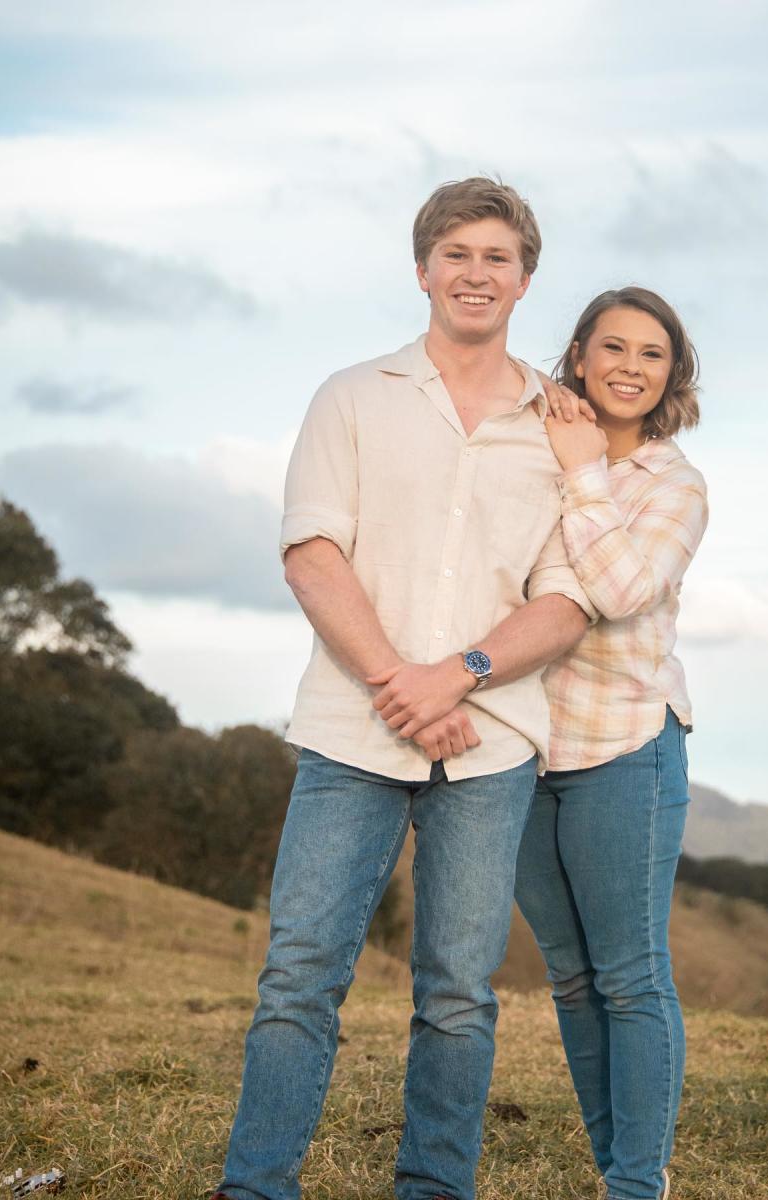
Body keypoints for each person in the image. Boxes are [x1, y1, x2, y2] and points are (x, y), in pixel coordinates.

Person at [211, 178, 595, 1200]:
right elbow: (311, 553)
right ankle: (256, 1187)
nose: (477, 273)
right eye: (457, 254)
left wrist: (458, 677)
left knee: (460, 996)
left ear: (525, 279)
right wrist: (400, 684)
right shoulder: (350, 395)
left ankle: (433, 1188)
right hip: (352, 732)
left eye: (497, 257)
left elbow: (566, 602)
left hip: (493, 739)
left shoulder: (558, 429)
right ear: (422, 269)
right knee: (300, 976)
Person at [515, 287, 708, 1200]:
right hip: (517, 744)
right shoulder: (533, 444)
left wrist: (586, 469)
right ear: (581, 355)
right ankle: (612, 1168)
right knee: (570, 978)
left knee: (629, 975)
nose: (631, 367)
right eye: (614, 348)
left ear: (672, 374)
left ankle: (638, 1183)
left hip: (624, 743)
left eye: (653, 354)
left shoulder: (675, 485)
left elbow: (625, 589)